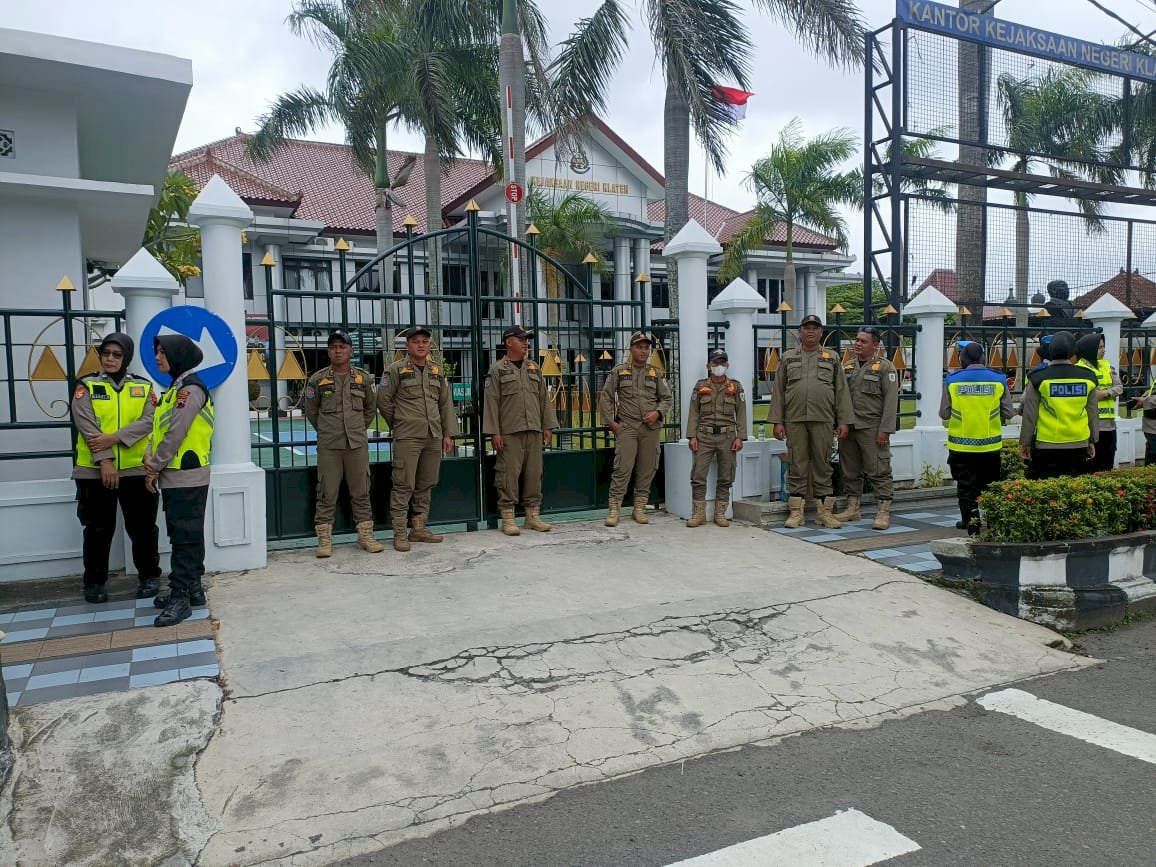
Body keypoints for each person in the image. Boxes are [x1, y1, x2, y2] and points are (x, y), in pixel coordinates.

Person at [70, 333, 161, 603]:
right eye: (106, 353)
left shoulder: (143, 387)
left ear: (126, 358)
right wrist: (105, 460)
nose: (110, 359)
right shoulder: (86, 386)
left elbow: (150, 421)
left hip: (136, 470)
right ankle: (95, 583)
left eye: (117, 355)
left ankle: (149, 576)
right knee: (98, 530)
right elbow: (86, 425)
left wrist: (115, 438)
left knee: (143, 529)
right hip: (94, 472)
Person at [145, 335, 214, 627]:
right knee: (185, 534)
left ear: (178, 356)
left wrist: (154, 465)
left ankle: (181, 596)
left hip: (186, 473)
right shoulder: (175, 390)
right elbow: (159, 429)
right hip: (175, 475)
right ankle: (193, 588)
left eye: (162, 352)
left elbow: (176, 432)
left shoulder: (190, 390)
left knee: (185, 536)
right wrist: (151, 456)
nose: (157, 357)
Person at [376, 326, 459, 552]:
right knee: (403, 484)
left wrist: (448, 433)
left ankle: (419, 528)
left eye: (424, 341)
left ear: (430, 345)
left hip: (433, 436)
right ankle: (399, 533)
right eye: (415, 341)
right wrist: (400, 423)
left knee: (426, 483)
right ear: (407, 345)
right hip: (408, 437)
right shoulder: (395, 370)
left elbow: (445, 403)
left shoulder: (436, 371)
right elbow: (383, 401)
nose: (421, 345)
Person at [770, 314, 853, 530]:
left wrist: (843, 420)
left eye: (815, 328)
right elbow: (779, 391)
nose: (811, 331)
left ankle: (824, 513)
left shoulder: (831, 357)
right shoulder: (788, 357)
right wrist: (777, 421)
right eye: (807, 327)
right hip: (794, 419)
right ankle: (796, 513)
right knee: (797, 464)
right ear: (800, 331)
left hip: (823, 418)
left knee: (823, 464)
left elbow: (841, 391)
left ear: (821, 332)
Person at [304, 330, 383, 557]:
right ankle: (324, 540)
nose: (338, 351)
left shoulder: (363, 379)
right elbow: (312, 412)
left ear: (351, 351)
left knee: (361, 491)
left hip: (356, 444)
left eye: (342, 347)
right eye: (333, 347)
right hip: (329, 446)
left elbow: (370, 409)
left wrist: (356, 429)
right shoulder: (317, 380)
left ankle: (365, 535)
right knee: (326, 492)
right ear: (328, 352)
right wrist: (328, 431)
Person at [483, 324, 558, 536]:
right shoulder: (497, 370)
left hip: (533, 430)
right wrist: (494, 432)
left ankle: (532, 516)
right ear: (509, 342)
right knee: (508, 475)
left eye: (527, 340)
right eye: (521, 339)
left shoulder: (534, 368)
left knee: (534, 474)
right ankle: (508, 518)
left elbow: (543, 399)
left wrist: (547, 425)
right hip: (509, 432)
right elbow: (491, 402)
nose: (526, 343)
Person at [599, 330, 672, 527]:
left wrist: (657, 413)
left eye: (646, 348)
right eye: (639, 347)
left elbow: (666, 398)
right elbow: (606, 397)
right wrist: (612, 423)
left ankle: (639, 508)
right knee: (622, 468)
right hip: (627, 427)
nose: (643, 351)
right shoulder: (619, 371)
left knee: (647, 468)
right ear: (631, 349)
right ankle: (614, 509)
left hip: (650, 429)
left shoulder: (655, 373)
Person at [940, 341, 1013, 535]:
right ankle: (993, 525)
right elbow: (1008, 412)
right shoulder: (998, 380)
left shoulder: (952, 381)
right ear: (983, 358)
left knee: (966, 487)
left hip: (961, 447)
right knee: (990, 486)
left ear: (962, 359)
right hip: (990, 447)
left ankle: (971, 524)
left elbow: (944, 413)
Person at [833, 326, 899, 530]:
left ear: (875, 344)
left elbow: (891, 401)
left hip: (872, 427)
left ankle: (883, 511)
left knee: (878, 469)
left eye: (863, 341)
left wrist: (885, 429)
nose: (858, 344)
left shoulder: (886, 368)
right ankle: (852, 508)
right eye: (857, 340)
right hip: (849, 427)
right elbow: (840, 398)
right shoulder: (848, 366)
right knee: (849, 469)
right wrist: (840, 422)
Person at [1020, 331, 1098, 480]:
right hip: (1079, 442)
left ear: (1050, 351)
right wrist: (1092, 440)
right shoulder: (1088, 377)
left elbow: (1030, 414)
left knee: (1048, 488)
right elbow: (1092, 412)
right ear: (1073, 352)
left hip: (1047, 444)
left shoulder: (1038, 378)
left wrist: (1025, 443)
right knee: (1075, 488)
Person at [685, 349, 746, 528]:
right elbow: (694, 412)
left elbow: (741, 413)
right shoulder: (700, 386)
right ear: (708, 366)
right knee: (698, 475)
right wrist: (692, 436)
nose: (719, 366)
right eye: (715, 363)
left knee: (726, 476)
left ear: (727, 365)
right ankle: (699, 514)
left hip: (728, 437)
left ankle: (720, 513)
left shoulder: (735, 386)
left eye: (722, 363)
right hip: (704, 436)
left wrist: (740, 437)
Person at [1075, 332, 1122, 473]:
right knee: (1091, 468)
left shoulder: (1108, 366)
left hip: (1109, 426)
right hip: (1090, 425)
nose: (1103, 350)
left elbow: (1119, 387)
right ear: (1089, 349)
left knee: (1108, 466)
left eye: (1103, 347)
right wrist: (1107, 393)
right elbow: (1088, 395)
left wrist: (1106, 393)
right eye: (1099, 347)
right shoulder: (1079, 369)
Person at [1130, 378, 1156, 465]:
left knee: (1152, 462)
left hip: (1153, 429)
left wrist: (1145, 401)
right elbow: (1152, 391)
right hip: (1151, 428)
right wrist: (1144, 398)